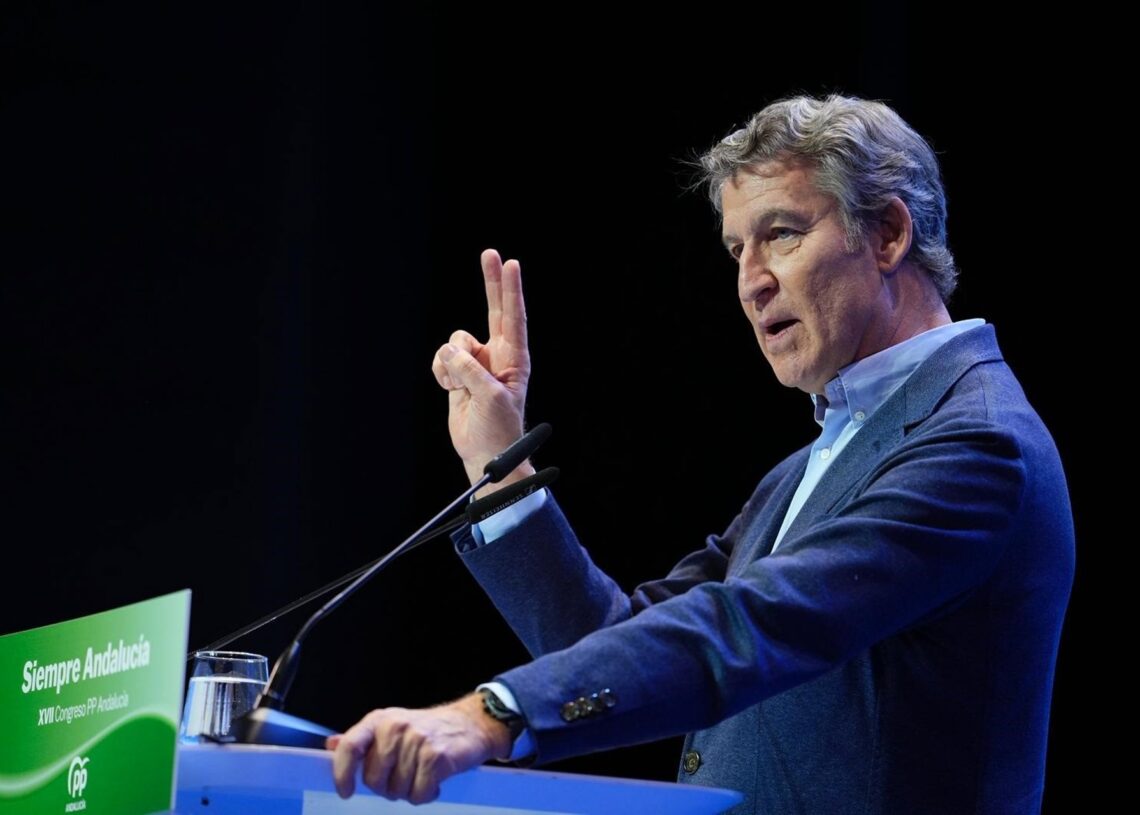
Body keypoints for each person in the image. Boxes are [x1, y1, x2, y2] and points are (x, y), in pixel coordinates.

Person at [329, 95, 1074, 814]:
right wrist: (502, 471)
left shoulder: (978, 445)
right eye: (735, 248)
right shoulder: (807, 467)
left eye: (781, 232)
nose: (751, 281)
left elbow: (750, 627)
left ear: (886, 234)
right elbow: (609, 648)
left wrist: (493, 713)